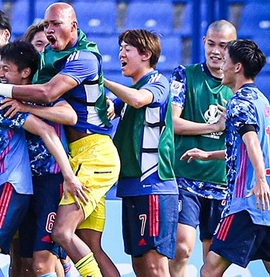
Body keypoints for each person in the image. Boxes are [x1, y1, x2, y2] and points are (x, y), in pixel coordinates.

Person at [0, 2, 120, 277]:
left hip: (92, 153)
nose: (50, 30)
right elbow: (22, 72)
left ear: (74, 26)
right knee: (90, 244)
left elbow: (48, 94)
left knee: (62, 233)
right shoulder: (50, 58)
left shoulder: (84, 57)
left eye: (56, 24)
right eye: (46, 25)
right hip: (76, 154)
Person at [181, 39, 270, 276]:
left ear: (237, 67)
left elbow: (252, 142)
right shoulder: (262, 101)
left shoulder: (238, 101)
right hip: (265, 205)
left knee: (209, 270)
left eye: (227, 59)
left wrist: (260, 180)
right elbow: (251, 147)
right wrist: (209, 154)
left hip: (246, 203)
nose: (222, 65)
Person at [0, 40, 76, 277]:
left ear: (26, 72)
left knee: (43, 263)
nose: (1, 75)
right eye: (0, 69)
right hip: (25, 186)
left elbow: (69, 115)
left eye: (6, 69)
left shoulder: (44, 92)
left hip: (52, 183)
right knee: (28, 262)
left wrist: (27, 108)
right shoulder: (3, 100)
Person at [103, 29, 178, 276]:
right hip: (131, 186)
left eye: (127, 49)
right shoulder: (130, 91)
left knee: (155, 266)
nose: (120, 54)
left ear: (146, 54)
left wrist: (102, 80)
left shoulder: (158, 83)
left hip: (154, 186)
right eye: (120, 48)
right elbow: (110, 109)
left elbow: (138, 100)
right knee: (140, 265)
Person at [168, 20, 237, 277]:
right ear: (203, 43)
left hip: (222, 183)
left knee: (213, 260)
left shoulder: (239, 88)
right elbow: (173, 122)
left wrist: (227, 125)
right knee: (181, 247)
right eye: (211, 44)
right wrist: (214, 126)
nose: (216, 51)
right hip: (186, 178)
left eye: (224, 46)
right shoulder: (184, 75)